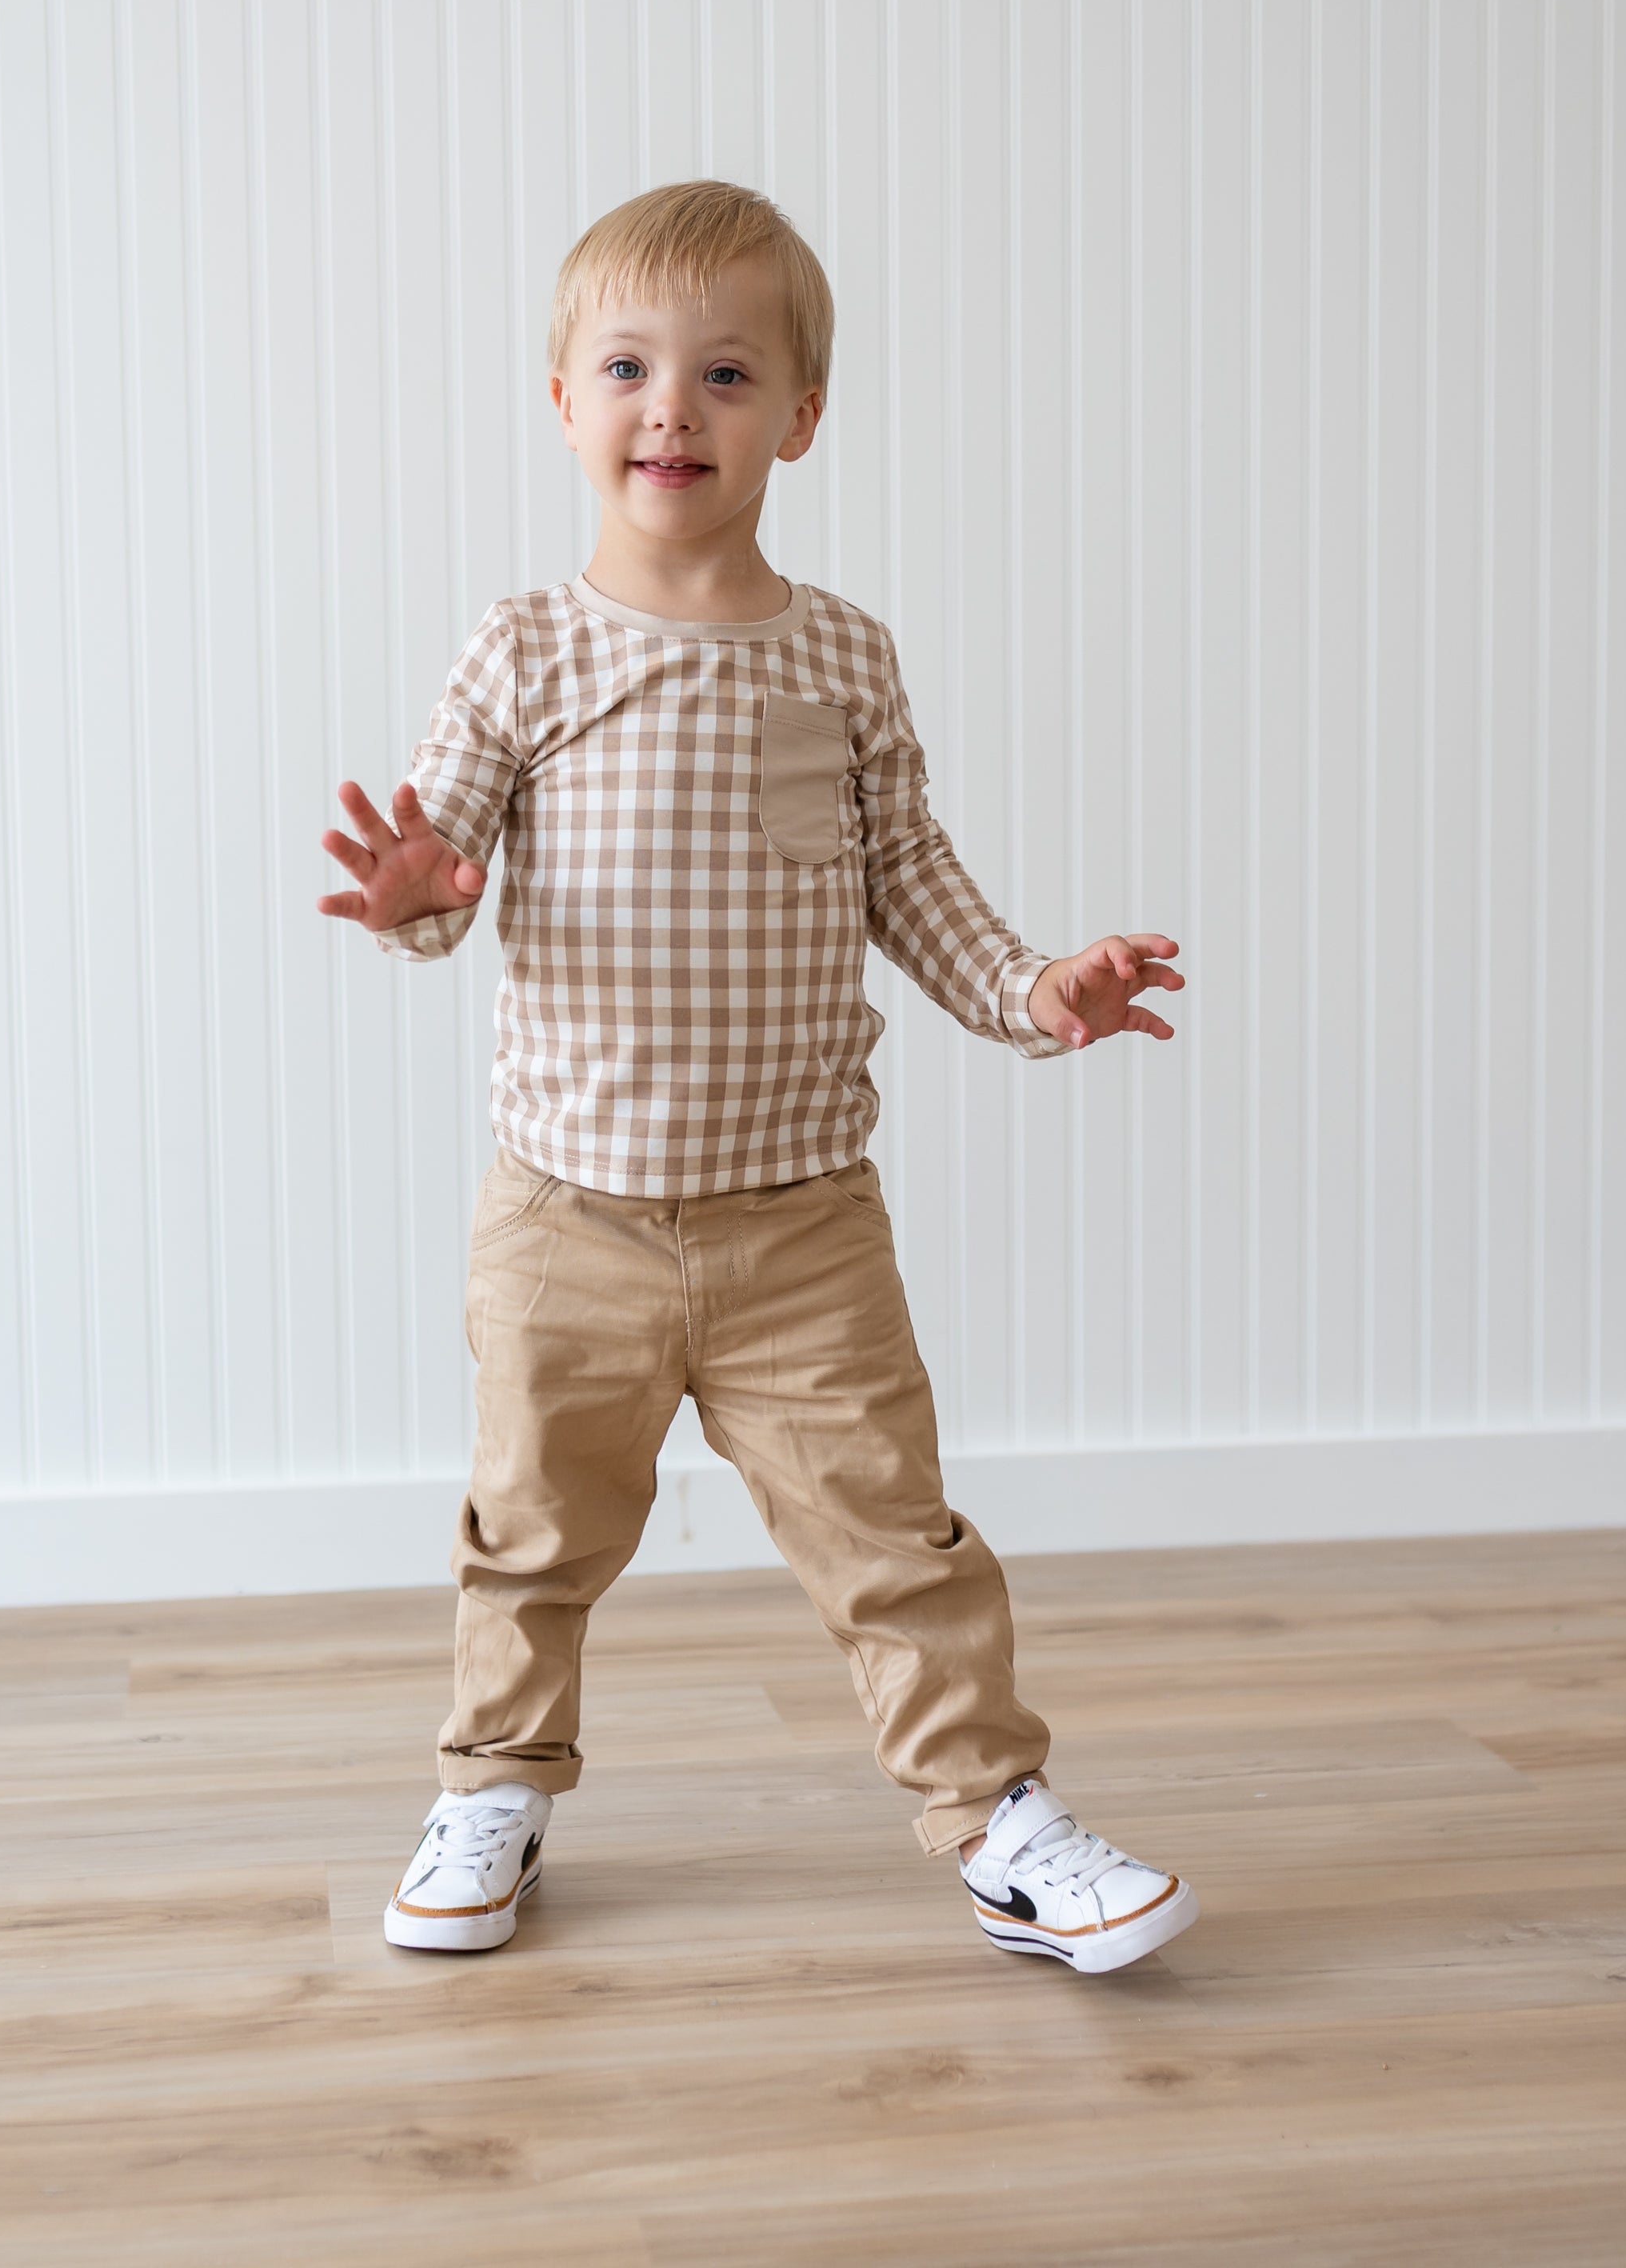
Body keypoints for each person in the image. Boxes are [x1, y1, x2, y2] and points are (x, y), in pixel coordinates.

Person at [318, 182, 1194, 1975]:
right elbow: (446, 866)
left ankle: (1001, 1823)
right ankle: (492, 1782)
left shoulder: (841, 655)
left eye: (726, 373)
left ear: (799, 416)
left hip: (805, 1226)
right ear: (563, 399)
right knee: (533, 1534)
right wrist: (418, 904)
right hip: (569, 1221)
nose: (674, 409)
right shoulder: (527, 652)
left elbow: (914, 888)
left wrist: (1042, 989)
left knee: (898, 1540)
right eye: (630, 367)